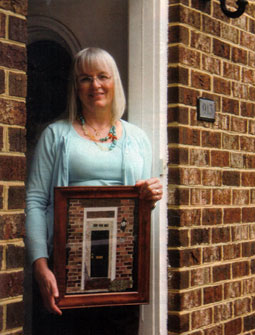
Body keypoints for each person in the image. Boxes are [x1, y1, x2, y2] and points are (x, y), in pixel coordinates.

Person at [25, 47, 163, 334]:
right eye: (85, 78)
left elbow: (139, 206)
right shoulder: (56, 134)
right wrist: (40, 265)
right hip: (64, 264)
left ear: (115, 83)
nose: (95, 85)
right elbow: (35, 201)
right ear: (75, 86)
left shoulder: (137, 138)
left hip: (121, 269)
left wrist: (150, 196)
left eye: (103, 76)